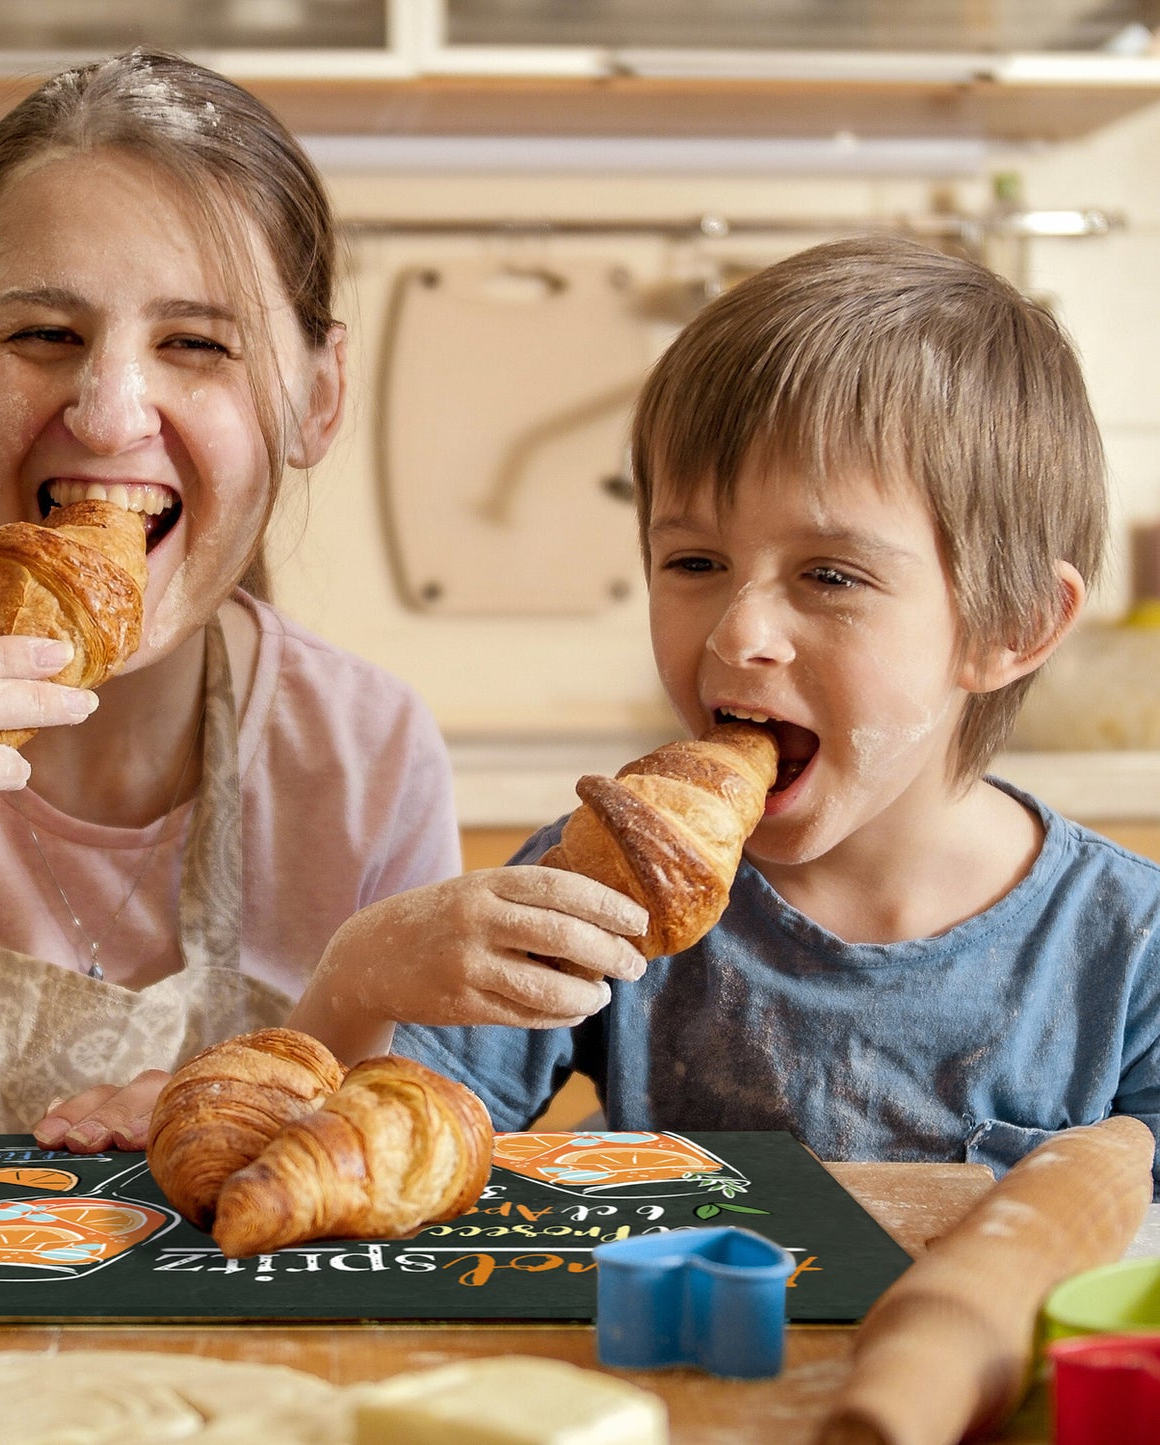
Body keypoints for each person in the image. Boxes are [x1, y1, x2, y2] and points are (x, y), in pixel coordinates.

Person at [0, 48, 463, 1168]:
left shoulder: (362, 760)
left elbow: (408, 1174)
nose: (112, 413)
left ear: (316, 398)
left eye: (197, 344)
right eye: (41, 335)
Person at [293, 233, 1160, 1187]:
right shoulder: (604, 881)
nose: (737, 631)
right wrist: (358, 974)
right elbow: (370, 1154)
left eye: (829, 574)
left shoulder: (1128, 949)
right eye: (695, 563)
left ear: (1013, 624)